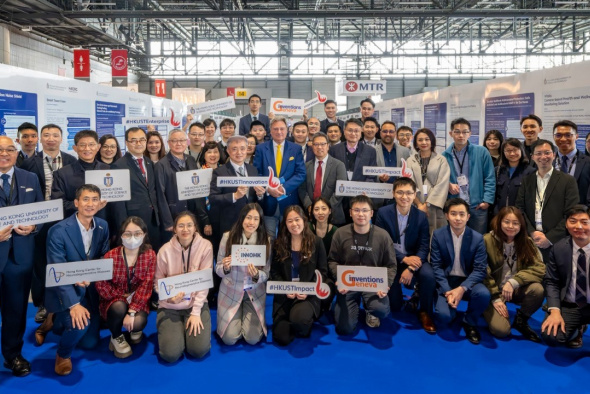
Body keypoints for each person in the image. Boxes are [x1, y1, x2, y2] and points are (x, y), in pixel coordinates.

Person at [38, 184, 110, 375]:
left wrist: (91, 276)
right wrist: (73, 305)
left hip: (90, 290)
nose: (90, 204)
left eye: (95, 199)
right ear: (76, 203)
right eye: (85, 199)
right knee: (80, 325)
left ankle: (56, 321)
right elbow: (57, 271)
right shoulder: (58, 231)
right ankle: (63, 354)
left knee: (91, 343)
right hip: (65, 292)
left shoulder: (103, 226)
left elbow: (102, 257)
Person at [21, 124, 76, 323]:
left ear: (62, 139)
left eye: (55, 135)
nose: (51, 138)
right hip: (40, 220)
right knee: (41, 262)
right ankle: (43, 303)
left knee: (66, 259)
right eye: (46, 135)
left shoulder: (71, 161)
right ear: (40, 139)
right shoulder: (29, 163)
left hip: (67, 217)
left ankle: (67, 300)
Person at [0, 136, 43, 377]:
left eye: (9, 150)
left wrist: (33, 227)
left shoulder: (30, 178)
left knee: (16, 310)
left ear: (16, 154)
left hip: (20, 258)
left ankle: (12, 355)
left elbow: (39, 212)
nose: (4, 154)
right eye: (0, 150)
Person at [328, 195, 396, 334]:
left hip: (372, 285)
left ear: (371, 213)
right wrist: (339, 279)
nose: (361, 214)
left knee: (380, 310)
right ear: (350, 212)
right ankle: (346, 305)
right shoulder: (340, 233)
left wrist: (386, 284)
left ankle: (370, 309)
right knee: (344, 329)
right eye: (357, 210)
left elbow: (391, 265)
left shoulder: (383, 236)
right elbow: (332, 260)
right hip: (348, 285)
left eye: (365, 210)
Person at [375, 178, 436, 333]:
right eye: (400, 192)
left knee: (429, 275)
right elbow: (381, 243)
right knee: (395, 307)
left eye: (409, 193)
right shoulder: (383, 213)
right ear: (393, 194)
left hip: (414, 260)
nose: (404, 197)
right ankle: (407, 298)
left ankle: (425, 311)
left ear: (414, 194)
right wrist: (403, 258)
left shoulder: (421, 216)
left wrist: (410, 267)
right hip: (392, 259)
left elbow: (424, 246)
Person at [431, 198, 490, 344]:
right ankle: (448, 304)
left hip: (468, 281)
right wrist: (447, 290)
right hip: (447, 281)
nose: (458, 218)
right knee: (444, 317)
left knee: (483, 294)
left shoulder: (477, 238)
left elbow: (480, 269)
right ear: (446, 215)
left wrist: (462, 288)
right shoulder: (438, 235)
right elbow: (436, 266)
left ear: (468, 217)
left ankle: (469, 322)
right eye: (453, 214)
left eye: (462, 214)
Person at [155, 212, 212, 362]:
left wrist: (196, 312)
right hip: (170, 306)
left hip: (194, 304)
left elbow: (204, 282)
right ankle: (175, 331)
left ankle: (187, 329)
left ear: (195, 228)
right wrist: (169, 298)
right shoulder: (164, 251)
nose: (185, 229)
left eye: (189, 225)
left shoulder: (206, 246)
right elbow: (157, 282)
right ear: (174, 229)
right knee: (170, 355)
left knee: (198, 350)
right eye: (181, 225)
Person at [95, 217, 156, 358]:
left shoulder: (150, 255)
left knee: (138, 323)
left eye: (137, 233)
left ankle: (133, 328)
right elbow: (101, 283)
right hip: (113, 300)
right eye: (127, 234)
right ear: (121, 235)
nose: (132, 238)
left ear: (144, 235)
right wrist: (120, 297)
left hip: (138, 300)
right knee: (119, 307)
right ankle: (116, 336)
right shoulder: (110, 256)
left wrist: (132, 311)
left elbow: (146, 285)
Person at [483, 207, 545, 341]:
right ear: (499, 222)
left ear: (521, 225)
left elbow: (540, 268)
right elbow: (483, 271)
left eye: (516, 223)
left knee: (537, 290)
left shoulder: (526, 242)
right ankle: (486, 308)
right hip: (493, 291)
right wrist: (495, 297)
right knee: (501, 331)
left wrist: (514, 281)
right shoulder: (486, 240)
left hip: (514, 289)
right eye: (507, 222)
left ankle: (521, 319)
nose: (511, 226)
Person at [271, 205, 328, 345]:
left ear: (304, 220)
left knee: (301, 325)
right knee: (282, 338)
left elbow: (322, 272)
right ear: (285, 223)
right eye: (289, 221)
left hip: (307, 296)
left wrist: (309, 291)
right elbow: (274, 272)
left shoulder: (316, 242)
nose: (294, 224)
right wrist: (285, 289)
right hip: (285, 295)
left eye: (297, 219)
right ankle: (294, 317)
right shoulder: (279, 244)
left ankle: (304, 317)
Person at [216, 203, 271, 345]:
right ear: (242, 218)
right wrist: (226, 268)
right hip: (231, 291)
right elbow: (218, 269)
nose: (251, 222)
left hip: (254, 293)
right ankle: (236, 317)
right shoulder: (227, 237)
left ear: (260, 222)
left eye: (255, 219)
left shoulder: (266, 241)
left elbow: (266, 273)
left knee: (252, 339)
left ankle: (244, 317)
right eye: (248, 218)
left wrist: (257, 275)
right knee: (229, 339)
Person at [516, 139, 579, 263]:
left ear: (554, 155)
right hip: (530, 241)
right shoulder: (527, 180)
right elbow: (520, 208)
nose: (543, 157)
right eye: (538, 153)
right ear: (532, 157)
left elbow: (571, 213)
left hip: (558, 242)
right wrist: (532, 232)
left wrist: (549, 238)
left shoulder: (567, 181)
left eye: (547, 153)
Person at [542, 205, 590, 348]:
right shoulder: (558, 248)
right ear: (567, 224)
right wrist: (555, 311)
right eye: (573, 221)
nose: (578, 226)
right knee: (551, 337)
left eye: (584, 222)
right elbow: (551, 282)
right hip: (571, 304)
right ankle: (577, 328)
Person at [210, 135, 265, 255]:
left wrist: (260, 195)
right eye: (234, 149)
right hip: (230, 223)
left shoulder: (253, 170)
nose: (239, 152)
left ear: (247, 150)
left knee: (248, 259)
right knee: (228, 258)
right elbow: (213, 198)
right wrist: (234, 196)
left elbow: (254, 199)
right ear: (228, 151)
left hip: (251, 225)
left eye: (242, 148)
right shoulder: (219, 172)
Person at [253, 116, 306, 239]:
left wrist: (284, 188)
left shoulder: (295, 149)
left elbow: (300, 173)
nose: (279, 132)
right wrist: (268, 188)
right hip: (267, 203)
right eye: (275, 129)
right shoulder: (261, 148)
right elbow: (257, 173)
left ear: (287, 130)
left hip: (289, 202)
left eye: (282, 129)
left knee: (288, 239)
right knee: (268, 240)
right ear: (270, 131)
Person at [156, 129, 210, 244]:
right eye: (174, 141)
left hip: (192, 213)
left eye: (181, 140)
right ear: (168, 143)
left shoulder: (190, 160)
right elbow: (160, 195)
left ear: (187, 142)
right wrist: (168, 222)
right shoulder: (161, 165)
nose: (178, 144)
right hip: (174, 215)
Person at [111, 127, 161, 251]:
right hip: (132, 221)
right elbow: (118, 201)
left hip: (153, 220)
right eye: (134, 140)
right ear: (127, 143)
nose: (138, 143)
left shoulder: (149, 162)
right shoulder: (119, 165)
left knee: (151, 254)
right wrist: (124, 226)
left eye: (142, 140)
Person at [443, 117, 495, 234]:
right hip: (455, 206)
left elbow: (490, 177)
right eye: (457, 131)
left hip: (477, 206)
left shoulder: (481, 152)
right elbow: (440, 179)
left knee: (478, 239)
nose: (461, 135)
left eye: (465, 132)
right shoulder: (444, 156)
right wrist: (448, 184)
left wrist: (487, 200)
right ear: (451, 133)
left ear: (470, 133)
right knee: (456, 238)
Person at [51, 129, 109, 220]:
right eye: (82, 145)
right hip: (73, 223)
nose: (87, 149)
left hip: (103, 222)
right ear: (75, 148)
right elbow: (58, 204)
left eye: (91, 145)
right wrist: (83, 206)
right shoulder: (62, 174)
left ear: (98, 147)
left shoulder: (107, 170)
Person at [329, 118, 378, 220]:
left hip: (360, 198)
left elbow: (371, 175)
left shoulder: (370, 151)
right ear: (344, 131)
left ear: (361, 132)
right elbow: (331, 174)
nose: (353, 133)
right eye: (350, 130)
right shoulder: (334, 150)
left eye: (356, 131)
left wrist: (363, 190)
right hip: (339, 199)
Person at [406, 128, 450, 234]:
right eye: (420, 140)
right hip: (414, 204)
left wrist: (427, 204)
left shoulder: (441, 160)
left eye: (427, 139)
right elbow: (408, 183)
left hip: (434, 205)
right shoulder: (410, 160)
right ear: (416, 143)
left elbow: (442, 183)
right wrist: (419, 204)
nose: (424, 142)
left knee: (435, 234)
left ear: (432, 141)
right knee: (416, 234)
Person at [299, 132, 347, 226]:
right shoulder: (306, 166)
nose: (319, 147)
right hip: (311, 215)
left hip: (334, 215)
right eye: (316, 144)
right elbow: (302, 189)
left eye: (322, 144)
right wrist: (310, 206)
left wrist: (325, 209)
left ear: (328, 146)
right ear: (312, 147)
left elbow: (341, 190)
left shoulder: (339, 165)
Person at [552, 120, 590, 205]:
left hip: (578, 214)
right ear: (553, 137)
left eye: (568, 135)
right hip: (553, 213)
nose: (563, 139)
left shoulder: (588, 162)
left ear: (576, 136)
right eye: (558, 135)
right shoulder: (548, 161)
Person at [493, 138, 535, 215]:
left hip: (519, 215)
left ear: (521, 150)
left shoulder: (530, 171)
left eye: (515, 150)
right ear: (503, 152)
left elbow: (531, 198)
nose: (512, 153)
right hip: (499, 214)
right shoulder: (497, 170)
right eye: (508, 150)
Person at [376, 120, 411, 184]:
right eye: (385, 131)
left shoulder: (405, 151)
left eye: (391, 131)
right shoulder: (372, 151)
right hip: (380, 190)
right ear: (380, 133)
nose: (388, 134)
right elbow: (368, 173)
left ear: (395, 134)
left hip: (399, 190)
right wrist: (379, 178)